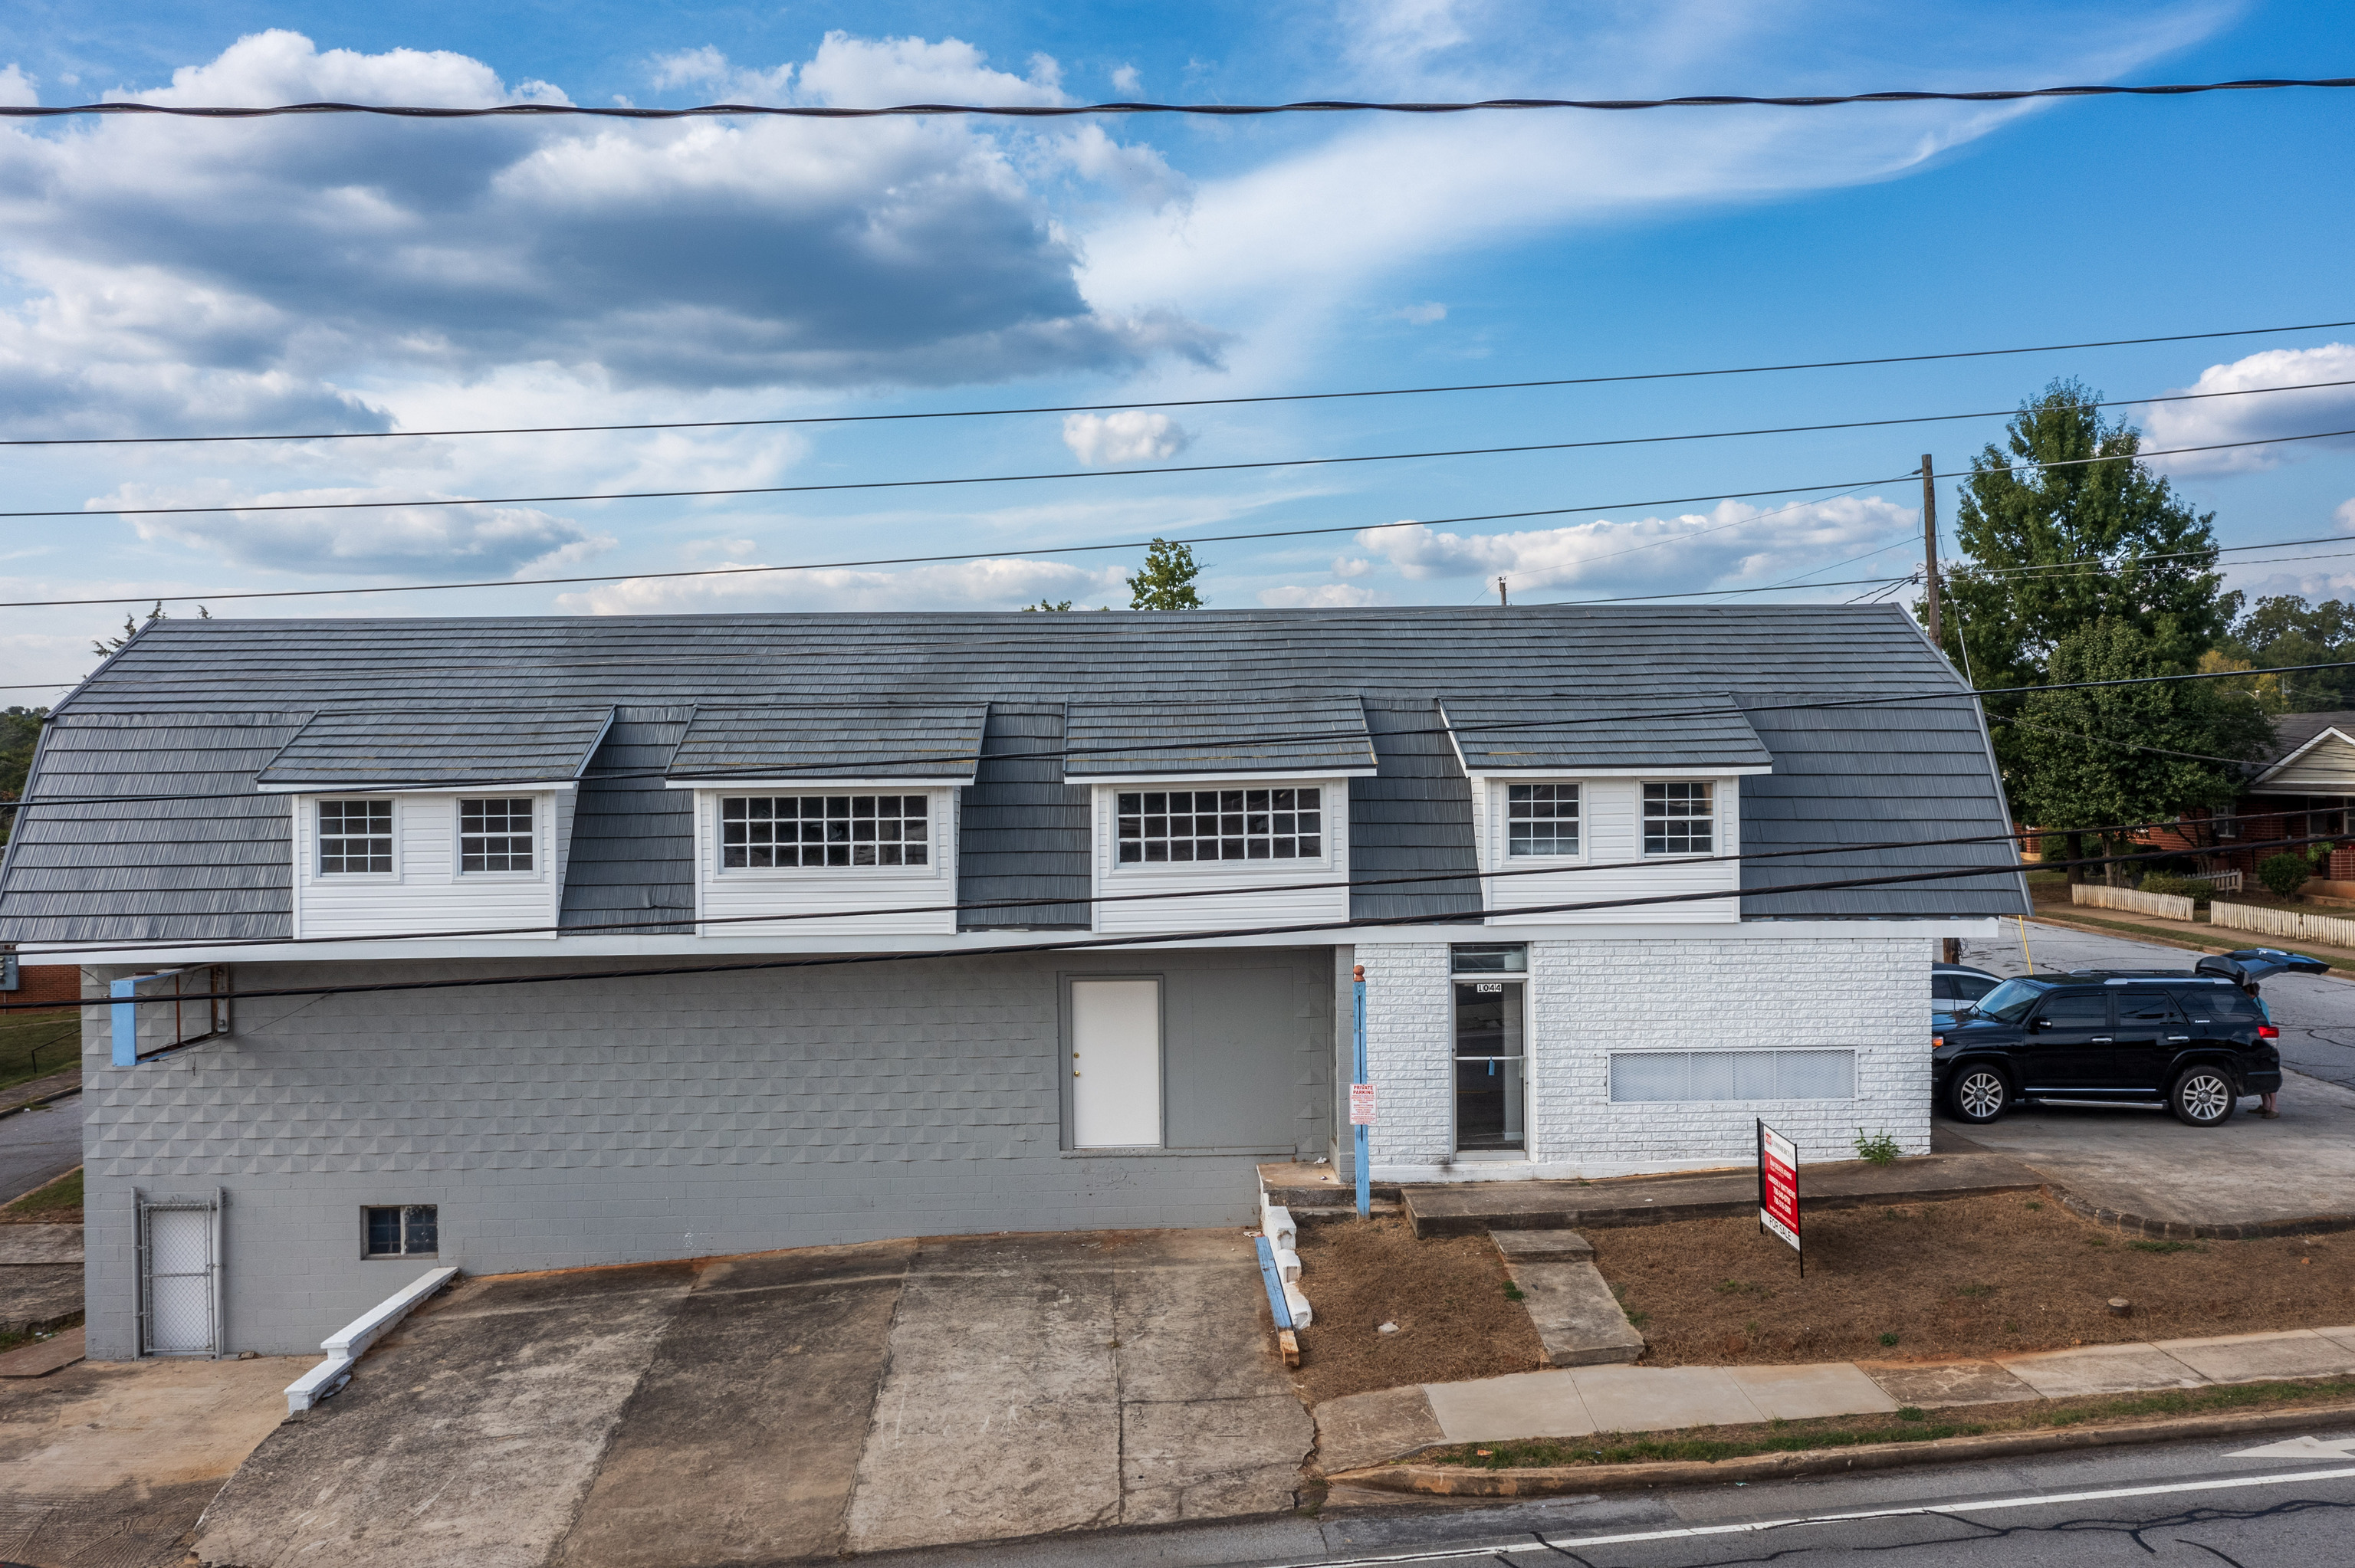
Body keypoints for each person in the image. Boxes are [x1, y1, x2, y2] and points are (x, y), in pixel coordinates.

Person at [2245, 978, 2281, 1118]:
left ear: (2252, 994)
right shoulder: (2254, 1003)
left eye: (2246, 993)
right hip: (2258, 1040)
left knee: (2267, 1070)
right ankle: (2266, 1105)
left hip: (2264, 1041)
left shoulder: (2258, 1006)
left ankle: (2274, 1107)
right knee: (2259, 1070)